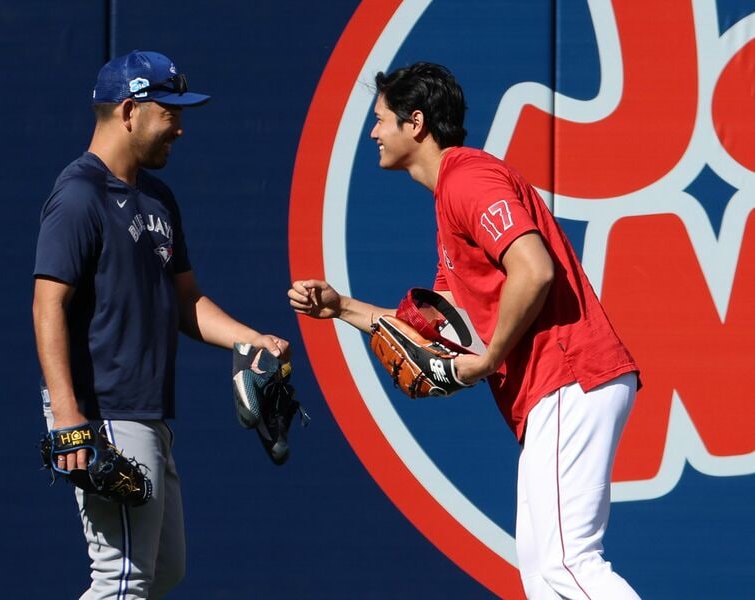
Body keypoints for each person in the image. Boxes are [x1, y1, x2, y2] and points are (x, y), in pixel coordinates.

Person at [288, 62, 641, 599]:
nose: (373, 132)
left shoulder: (467, 178)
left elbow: (534, 269)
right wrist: (343, 307)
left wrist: (489, 357)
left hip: (568, 374)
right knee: (543, 578)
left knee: (566, 566)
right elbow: (435, 327)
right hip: (555, 388)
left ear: (416, 123)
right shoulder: (450, 201)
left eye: (381, 119)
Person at [32, 49, 289, 599]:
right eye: (170, 111)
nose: (180, 127)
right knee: (122, 580)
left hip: (145, 410)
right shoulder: (79, 195)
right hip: (103, 409)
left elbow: (185, 301)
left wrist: (251, 340)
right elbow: (46, 305)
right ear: (130, 112)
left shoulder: (157, 197)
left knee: (164, 569)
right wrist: (68, 417)